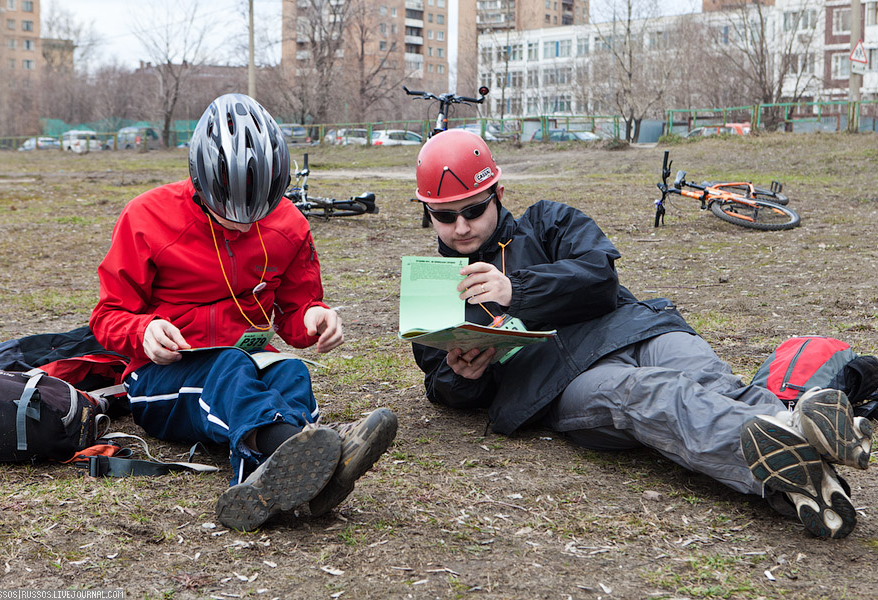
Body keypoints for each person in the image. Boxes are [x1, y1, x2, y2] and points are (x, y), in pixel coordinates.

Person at [409, 129, 872, 539]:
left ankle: (802, 455)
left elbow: (598, 276)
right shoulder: (433, 285)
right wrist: (462, 376)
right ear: (427, 213)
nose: (462, 227)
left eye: (472, 210)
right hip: (561, 382)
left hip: (637, 329)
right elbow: (439, 384)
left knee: (711, 379)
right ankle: (782, 464)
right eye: (444, 217)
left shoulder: (548, 221)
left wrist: (518, 290)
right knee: (650, 395)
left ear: (499, 194)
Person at [90, 93, 397, 531]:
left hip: (253, 362)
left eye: (259, 212)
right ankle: (311, 458)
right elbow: (107, 316)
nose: (241, 224)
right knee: (231, 365)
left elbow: (296, 309)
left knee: (292, 372)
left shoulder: (290, 225)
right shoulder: (146, 217)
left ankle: (261, 485)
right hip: (162, 377)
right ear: (197, 179)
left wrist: (314, 317)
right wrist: (143, 331)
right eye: (226, 211)